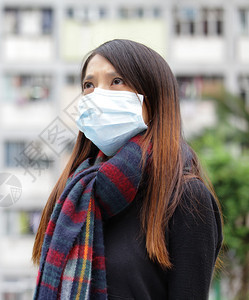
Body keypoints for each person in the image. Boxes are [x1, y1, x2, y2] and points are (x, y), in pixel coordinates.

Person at [32, 39, 223, 300]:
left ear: (153, 97)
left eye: (116, 81)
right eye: (89, 85)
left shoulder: (185, 197)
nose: (98, 95)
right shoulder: (75, 194)